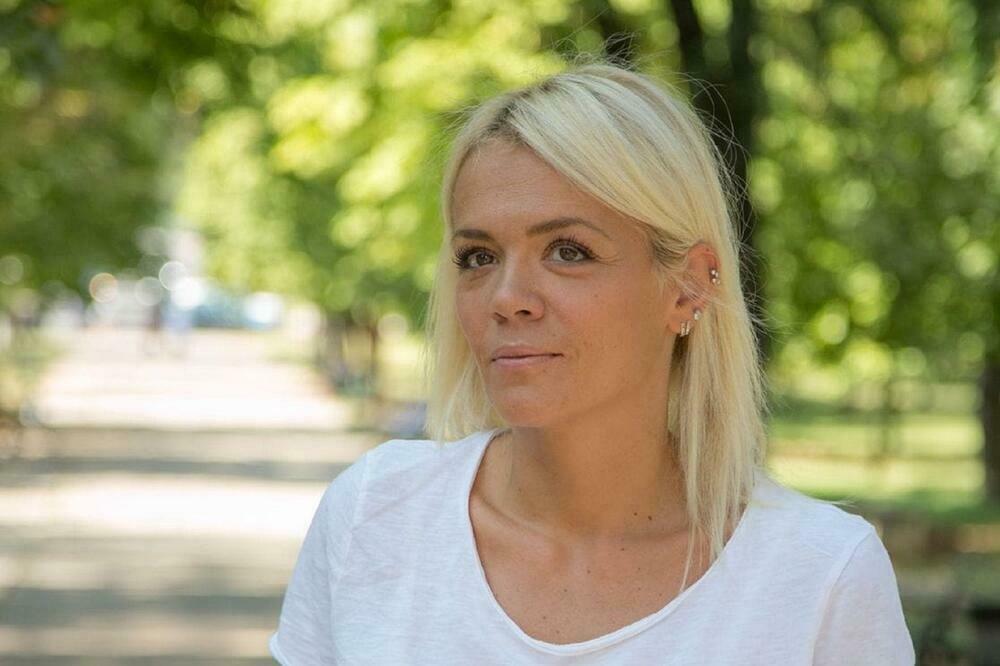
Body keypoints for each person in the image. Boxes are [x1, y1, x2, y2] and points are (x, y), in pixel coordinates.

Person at [268, 62, 916, 664]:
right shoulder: (374, 515)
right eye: (478, 257)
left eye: (568, 251)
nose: (507, 299)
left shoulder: (821, 578)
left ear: (689, 286)